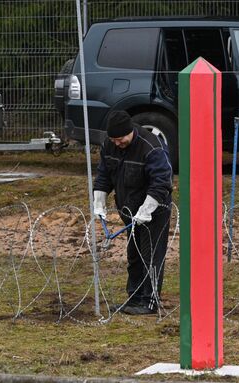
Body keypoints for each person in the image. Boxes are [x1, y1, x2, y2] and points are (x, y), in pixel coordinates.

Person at [93, 110, 173, 315]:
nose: (117, 143)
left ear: (131, 132)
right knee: (134, 256)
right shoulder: (110, 144)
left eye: (121, 139)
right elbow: (104, 174)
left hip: (154, 210)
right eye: (114, 139)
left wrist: (147, 209)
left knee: (151, 256)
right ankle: (134, 298)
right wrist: (99, 199)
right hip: (128, 210)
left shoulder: (151, 147)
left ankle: (149, 301)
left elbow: (162, 182)